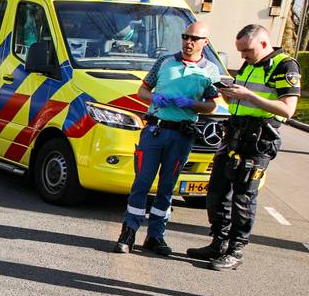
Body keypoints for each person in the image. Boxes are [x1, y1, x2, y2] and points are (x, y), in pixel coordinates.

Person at [186, 24, 300, 270]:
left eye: (246, 51)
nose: (243, 57)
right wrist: (229, 94)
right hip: (234, 135)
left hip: (258, 139)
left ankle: (235, 250)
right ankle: (218, 241)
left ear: (263, 43)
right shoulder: (251, 63)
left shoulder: (284, 66)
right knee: (216, 191)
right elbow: (243, 99)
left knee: (243, 197)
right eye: (240, 52)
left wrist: (248, 95)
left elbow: (288, 109)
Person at [113, 21, 221, 255]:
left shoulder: (210, 70)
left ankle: (155, 237)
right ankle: (128, 233)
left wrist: (192, 104)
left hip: (181, 136)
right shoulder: (164, 62)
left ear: (205, 42)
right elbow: (142, 91)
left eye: (194, 38)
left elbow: (212, 105)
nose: (188, 42)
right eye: (185, 36)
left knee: (167, 187)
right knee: (141, 184)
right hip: (155, 131)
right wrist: (154, 98)